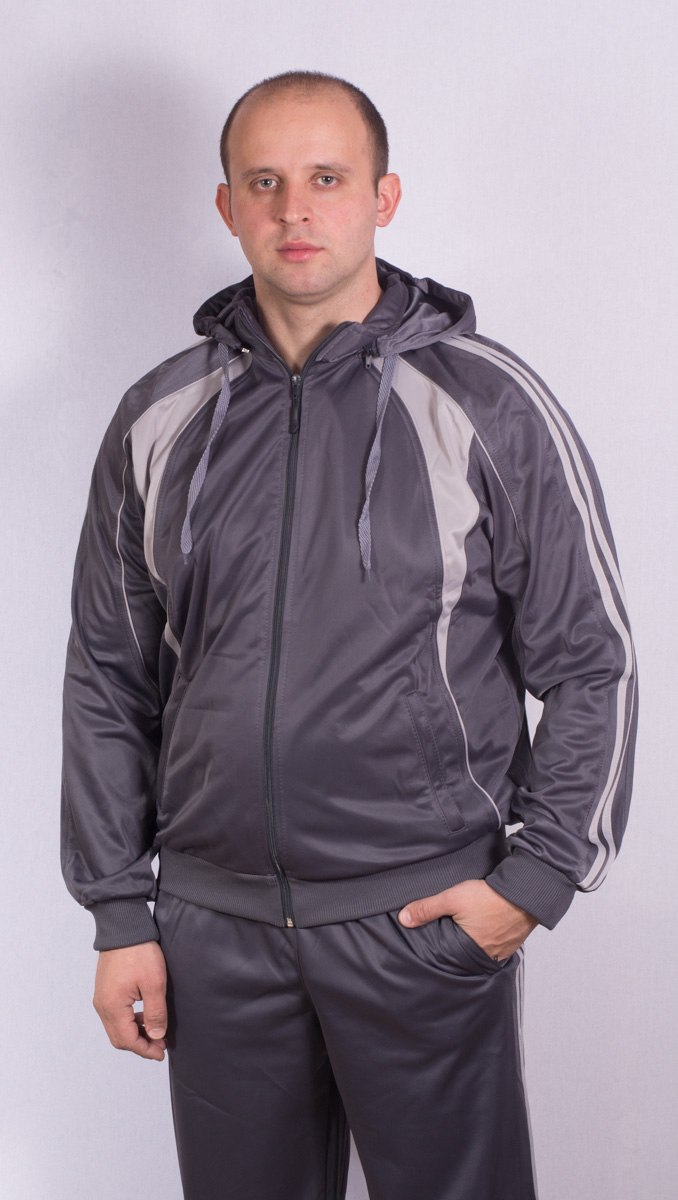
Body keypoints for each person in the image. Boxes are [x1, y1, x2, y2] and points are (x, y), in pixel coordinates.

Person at [60, 70, 638, 1200]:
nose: (295, 210)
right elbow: (107, 678)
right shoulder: (158, 417)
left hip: (419, 921)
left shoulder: (487, 404)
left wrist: (536, 878)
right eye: (264, 182)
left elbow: (591, 659)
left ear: (384, 197)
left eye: (327, 179)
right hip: (215, 931)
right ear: (227, 204)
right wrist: (121, 913)